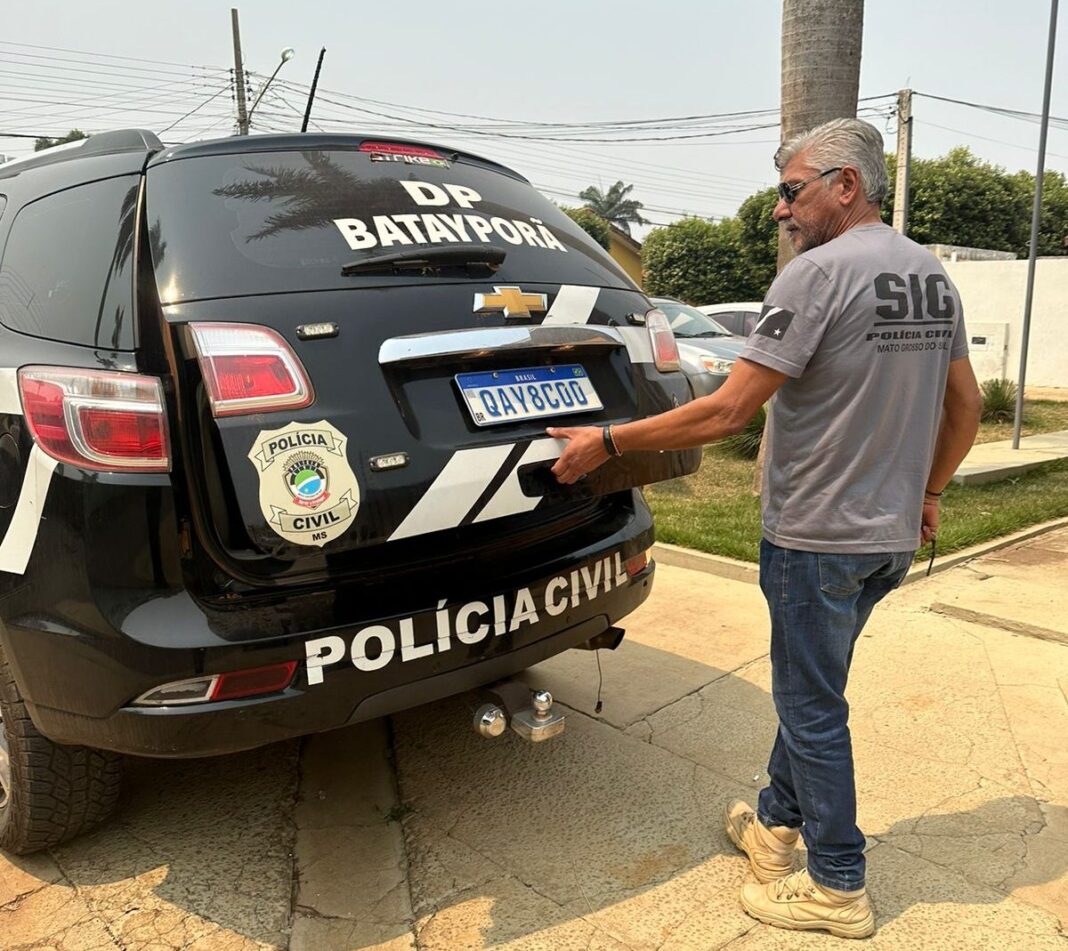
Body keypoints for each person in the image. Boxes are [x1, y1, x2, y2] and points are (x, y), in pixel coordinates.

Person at [548, 117, 982, 939]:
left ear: (845, 186)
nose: (782, 210)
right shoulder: (929, 274)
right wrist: (928, 492)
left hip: (816, 537)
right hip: (888, 536)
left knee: (813, 708)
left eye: (792, 190)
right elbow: (966, 405)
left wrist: (605, 442)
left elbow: (725, 410)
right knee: (810, 689)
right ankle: (776, 828)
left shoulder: (816, 276)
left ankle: (838, 883)